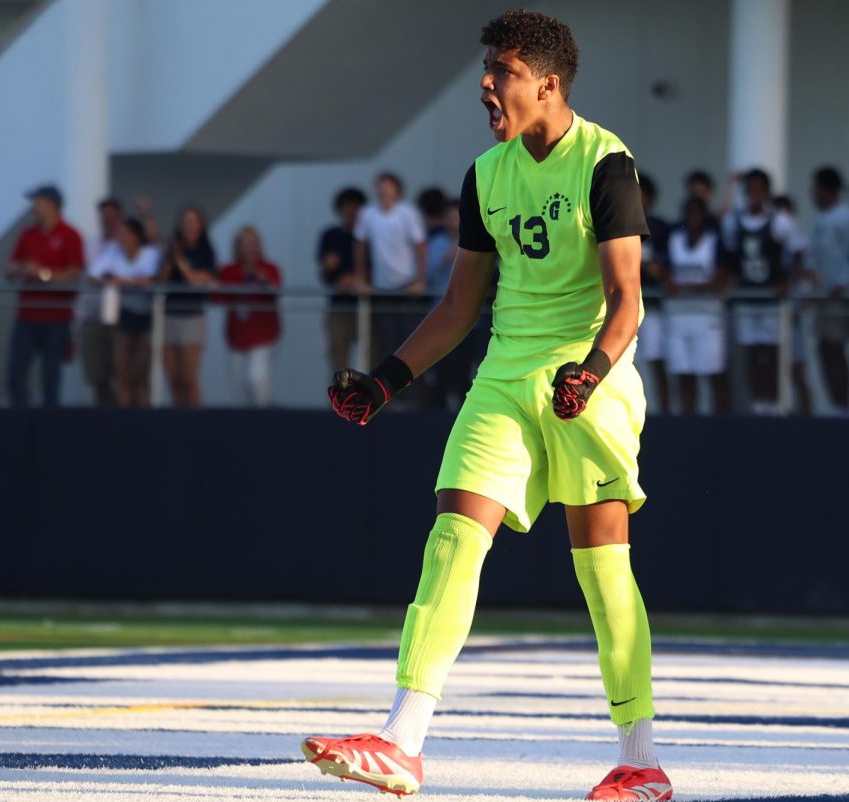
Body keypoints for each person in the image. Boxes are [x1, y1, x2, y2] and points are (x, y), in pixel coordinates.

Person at [305, 10, 671, 801]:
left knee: (604, 570)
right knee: (452, 535)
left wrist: (592, 372)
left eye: (500, 72)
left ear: (547, 83)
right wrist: (384, 381)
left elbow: (627, 301)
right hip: (504, 379)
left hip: (588, 387)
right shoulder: (486, 175)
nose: (486, 85)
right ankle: (402, 741)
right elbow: (458, 308)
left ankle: (640, 760)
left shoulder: (606, 164)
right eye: (488, 71)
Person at [721, 168, 793, 415]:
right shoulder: (735, 222)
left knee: (770, 351)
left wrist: (786, 282)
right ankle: (757, 402)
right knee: (751, 352)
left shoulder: (779, 221)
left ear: (767, 192)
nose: (754, 194)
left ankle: (773, 402)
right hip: (746, 296)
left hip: (770, 298)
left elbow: (797, 251)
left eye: (759, 189)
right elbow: (728, 253)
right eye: (750, 189)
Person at [5, 185, 84, 408]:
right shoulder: (27, 234)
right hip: (27, 315)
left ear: (52, 205)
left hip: (56, 317)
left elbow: (75, 272)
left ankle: (49, 427)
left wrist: (44, 274)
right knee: (15, 372)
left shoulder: (70, 235)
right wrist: (23, 269)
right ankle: (21, 421)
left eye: (38, 202)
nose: (34, 207)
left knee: (51, 377)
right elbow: (10, 268)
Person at [355, 172, 427, 368]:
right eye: (381, 187)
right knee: (387, 339)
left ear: (397, 190)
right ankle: (388, 390)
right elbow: (360, 246)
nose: (384, 191)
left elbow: (420, 245)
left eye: (388, 186)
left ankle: (410, 390)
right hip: (382, 287)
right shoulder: (368, 214)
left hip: (407, 286)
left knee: (409, 339)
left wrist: (420, 280)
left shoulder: (407, 213)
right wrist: (361, 279)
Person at [665, 197, 729, 415]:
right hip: (679, 318)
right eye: (689, 213)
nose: (693, 218)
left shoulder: (714, 242)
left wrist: (687, 286)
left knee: (714, 374)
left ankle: (718, 425)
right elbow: (665, 276)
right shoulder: (674, 240)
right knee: (684, 374)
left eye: (697, 213)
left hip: (708, 319)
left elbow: (720, 279)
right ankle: (687, 420)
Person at [808, 167, 849, 416]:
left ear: (825, 189)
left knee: (834, 347)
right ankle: (835, 404)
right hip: (823, 295)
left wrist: (843, 284)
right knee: (824, 348)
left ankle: (844, 406)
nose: (811, 193)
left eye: (814, 187)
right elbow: (814, 259)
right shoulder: (820, 219)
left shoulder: (846, 217)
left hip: (838, 296)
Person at [217, 226, 282, 407]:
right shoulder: (230, 270)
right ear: (237, 247)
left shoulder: (269, 269)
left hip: (263, 335)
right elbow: (218, 297)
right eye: (244, 244)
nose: (249, 249)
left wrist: (261, 281)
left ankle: (265, 416)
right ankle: (245, 426)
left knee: (257, 378)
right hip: (237, 336)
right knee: (238, 386)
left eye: (253, 244)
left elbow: (276, 291)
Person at [158, 205, 216, 407]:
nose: (189, 226)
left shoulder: (206, 252)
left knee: (188, 378)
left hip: (192, 316)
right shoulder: (171, 252)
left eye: (194, 222)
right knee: (173, 379)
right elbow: (161, 281)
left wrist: (180, 260)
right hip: (169, 315)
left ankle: (196, 423)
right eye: (186, 222)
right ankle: (178, 421)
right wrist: (169, 258)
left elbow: (196, 279)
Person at [427, 200, 477, 409]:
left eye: (456, 216)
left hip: (470, 316)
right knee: (440, 366)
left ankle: (465, 407)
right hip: (441, 314)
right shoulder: (437, 242)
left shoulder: (478, 239)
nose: (452, 221)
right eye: (449, 216)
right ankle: (440, 407)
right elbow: (428, 273)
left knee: (465, 365)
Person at [108, 217, 161, 406]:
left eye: (126, 234)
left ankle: (143, 417)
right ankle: (123, 417)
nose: (122, 238)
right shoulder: (114, 254)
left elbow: (154, 279)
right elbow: (98, 276)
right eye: (121, 234)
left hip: (146, 316)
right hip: (124, 314)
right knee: (122, 373)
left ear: (137, 237)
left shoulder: (150, 254)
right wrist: (124, 281)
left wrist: (130, 281)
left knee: (141, 373)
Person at [80, 198, 126, 406]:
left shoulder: (127, 245)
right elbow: (89, 276)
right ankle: (103, 418)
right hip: (93, 317)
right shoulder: (91, 244)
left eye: (111, 216)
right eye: (103, 216)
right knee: (98, 375)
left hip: (120, 319)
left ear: (119, 217)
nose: (106, 220)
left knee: (122, 374)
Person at [318, 187, 367, 375]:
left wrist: (357, 279)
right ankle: (341, 400)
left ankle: (369, 399)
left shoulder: (368, 236)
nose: (351, 212)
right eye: (347, 207)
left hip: (365, 305)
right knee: (338, 357)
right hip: (338, 304)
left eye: (355, 207)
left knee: (369, 356)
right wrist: (329, 269)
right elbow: (324, 273)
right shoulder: (331, 235)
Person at [774, 194, 813, 415]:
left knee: (797, 369)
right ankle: (777, 410)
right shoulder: (772, 242)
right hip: (773, 315)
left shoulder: (799, 243)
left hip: (794, 317)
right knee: (772, 368)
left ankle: (805, 413)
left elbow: (808, 277)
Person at [636, 174, 670, 413]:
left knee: (656, 359)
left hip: (653, 305)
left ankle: (663, 410)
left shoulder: (659, 227)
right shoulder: (610, 221)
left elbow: (667, 269)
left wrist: (656, 269)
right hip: (616, 303)